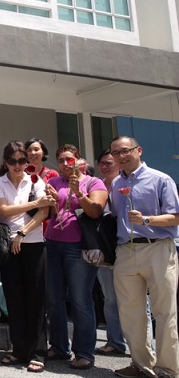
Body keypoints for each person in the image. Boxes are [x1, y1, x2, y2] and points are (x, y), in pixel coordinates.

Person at [108, 136, 179, 378]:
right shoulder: (116, 183)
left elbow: (176, 216)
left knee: (164, 311)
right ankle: (142, 365)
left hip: (157, 247)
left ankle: (168, 369)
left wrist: (148, 220)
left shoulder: (161, 179)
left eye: (125, 151)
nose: (120, 156)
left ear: (139, 150)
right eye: (116, 153)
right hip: (126, 250)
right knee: (130, 312)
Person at [43, 144, 108, 370]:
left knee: (80, 300)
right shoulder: (53, 182)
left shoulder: (93, 182)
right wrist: (49, 201)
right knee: (54, 298)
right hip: (52, 244)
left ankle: (84, 352)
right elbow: (50, 212)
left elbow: (95, 211)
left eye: (69, 160)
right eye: (61, 161)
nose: (64, 164)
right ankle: (60, 346)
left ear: (78, 160)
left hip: (78, 247)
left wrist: (79, 193)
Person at [0, 141, 54, 373]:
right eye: (13, 161)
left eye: (22, 161)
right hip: (8, 246)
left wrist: (22, 233)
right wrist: (36, 203)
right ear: (5, 162)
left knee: (36, 300)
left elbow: (44, 212)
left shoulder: (36, 181)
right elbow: (4, 210)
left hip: (33, 244)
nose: (18, 165)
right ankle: (18, 350)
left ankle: (38, 352)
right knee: (14, 298)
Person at [94, 149, 127, 356]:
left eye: (109, 163)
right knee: (110, 298)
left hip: (125, 245)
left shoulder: (125, 184)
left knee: (137, 298)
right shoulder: (96, 185)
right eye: (102, 163)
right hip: (104, 248)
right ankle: (115, 341)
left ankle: (144, 346)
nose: (105, 167)